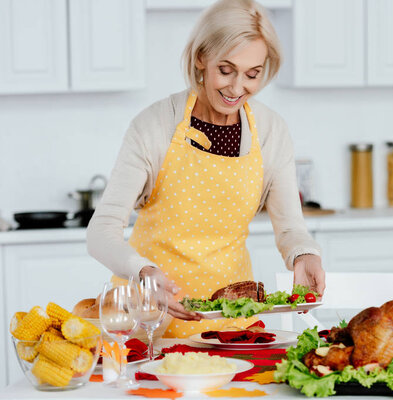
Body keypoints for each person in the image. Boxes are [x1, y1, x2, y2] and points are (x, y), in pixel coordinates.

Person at [87, 0, 325, 338]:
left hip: (231, 326)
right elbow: (101, 232)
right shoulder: (154, 125)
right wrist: (143, 272)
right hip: (150, 322)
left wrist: (305, 256)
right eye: (225, 70)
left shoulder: (271, 131)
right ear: (202, 57)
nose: (236, 87)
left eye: (252, 74)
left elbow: (290, 229)